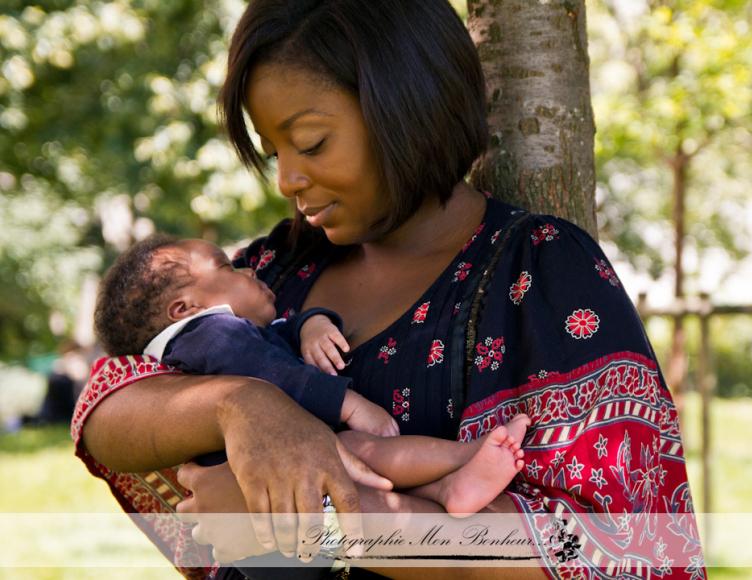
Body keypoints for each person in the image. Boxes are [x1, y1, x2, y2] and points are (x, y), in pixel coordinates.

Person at [72, 0, 705, 578]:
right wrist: (243, 407)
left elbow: (620, 546)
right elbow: (105, 410)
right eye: (274, 153)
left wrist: (315, 519)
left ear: (407, 106)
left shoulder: (539, 272)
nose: (289, 179)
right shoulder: (277, 268)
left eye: (312, 142)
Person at [92, 232, 530, 516]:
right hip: (276, 484)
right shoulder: (207, 338)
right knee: (365, 448)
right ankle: (466, 456)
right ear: (184, 309)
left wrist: (312, 324)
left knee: (368, 465)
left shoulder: (218, 338)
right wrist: (349, 403)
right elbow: (269, 372)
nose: (249, 269)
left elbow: (280, 334)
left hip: (295, 480)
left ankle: (446, 491)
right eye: (227, 267)